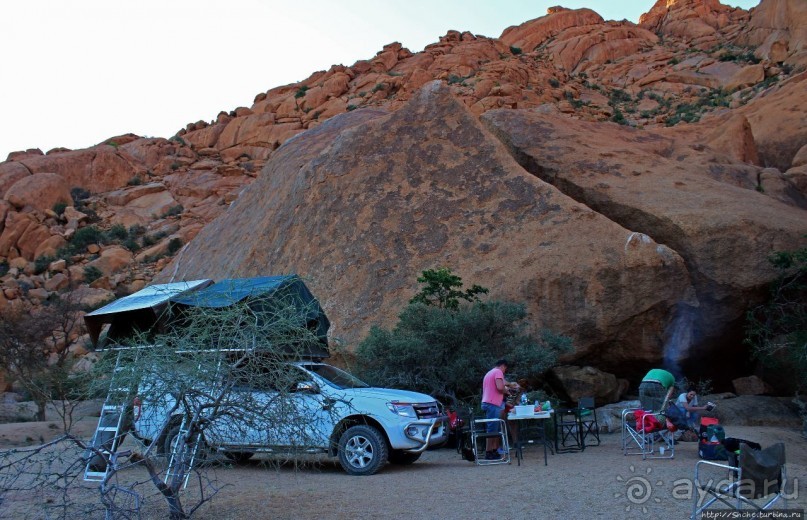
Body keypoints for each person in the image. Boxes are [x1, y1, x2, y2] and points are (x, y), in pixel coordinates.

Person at [481, 359, 519, 460]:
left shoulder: (491, 372)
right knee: (492, 429)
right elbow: (500, 387)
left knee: (494, 428)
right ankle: (488, 452)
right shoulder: (498, 372)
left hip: (489, 403)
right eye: (505, 369)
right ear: (503, 366)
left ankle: (493, 451)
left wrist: (510, 384)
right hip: (492, 404)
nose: (504, 372)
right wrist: (507, 391)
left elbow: (502, 382)